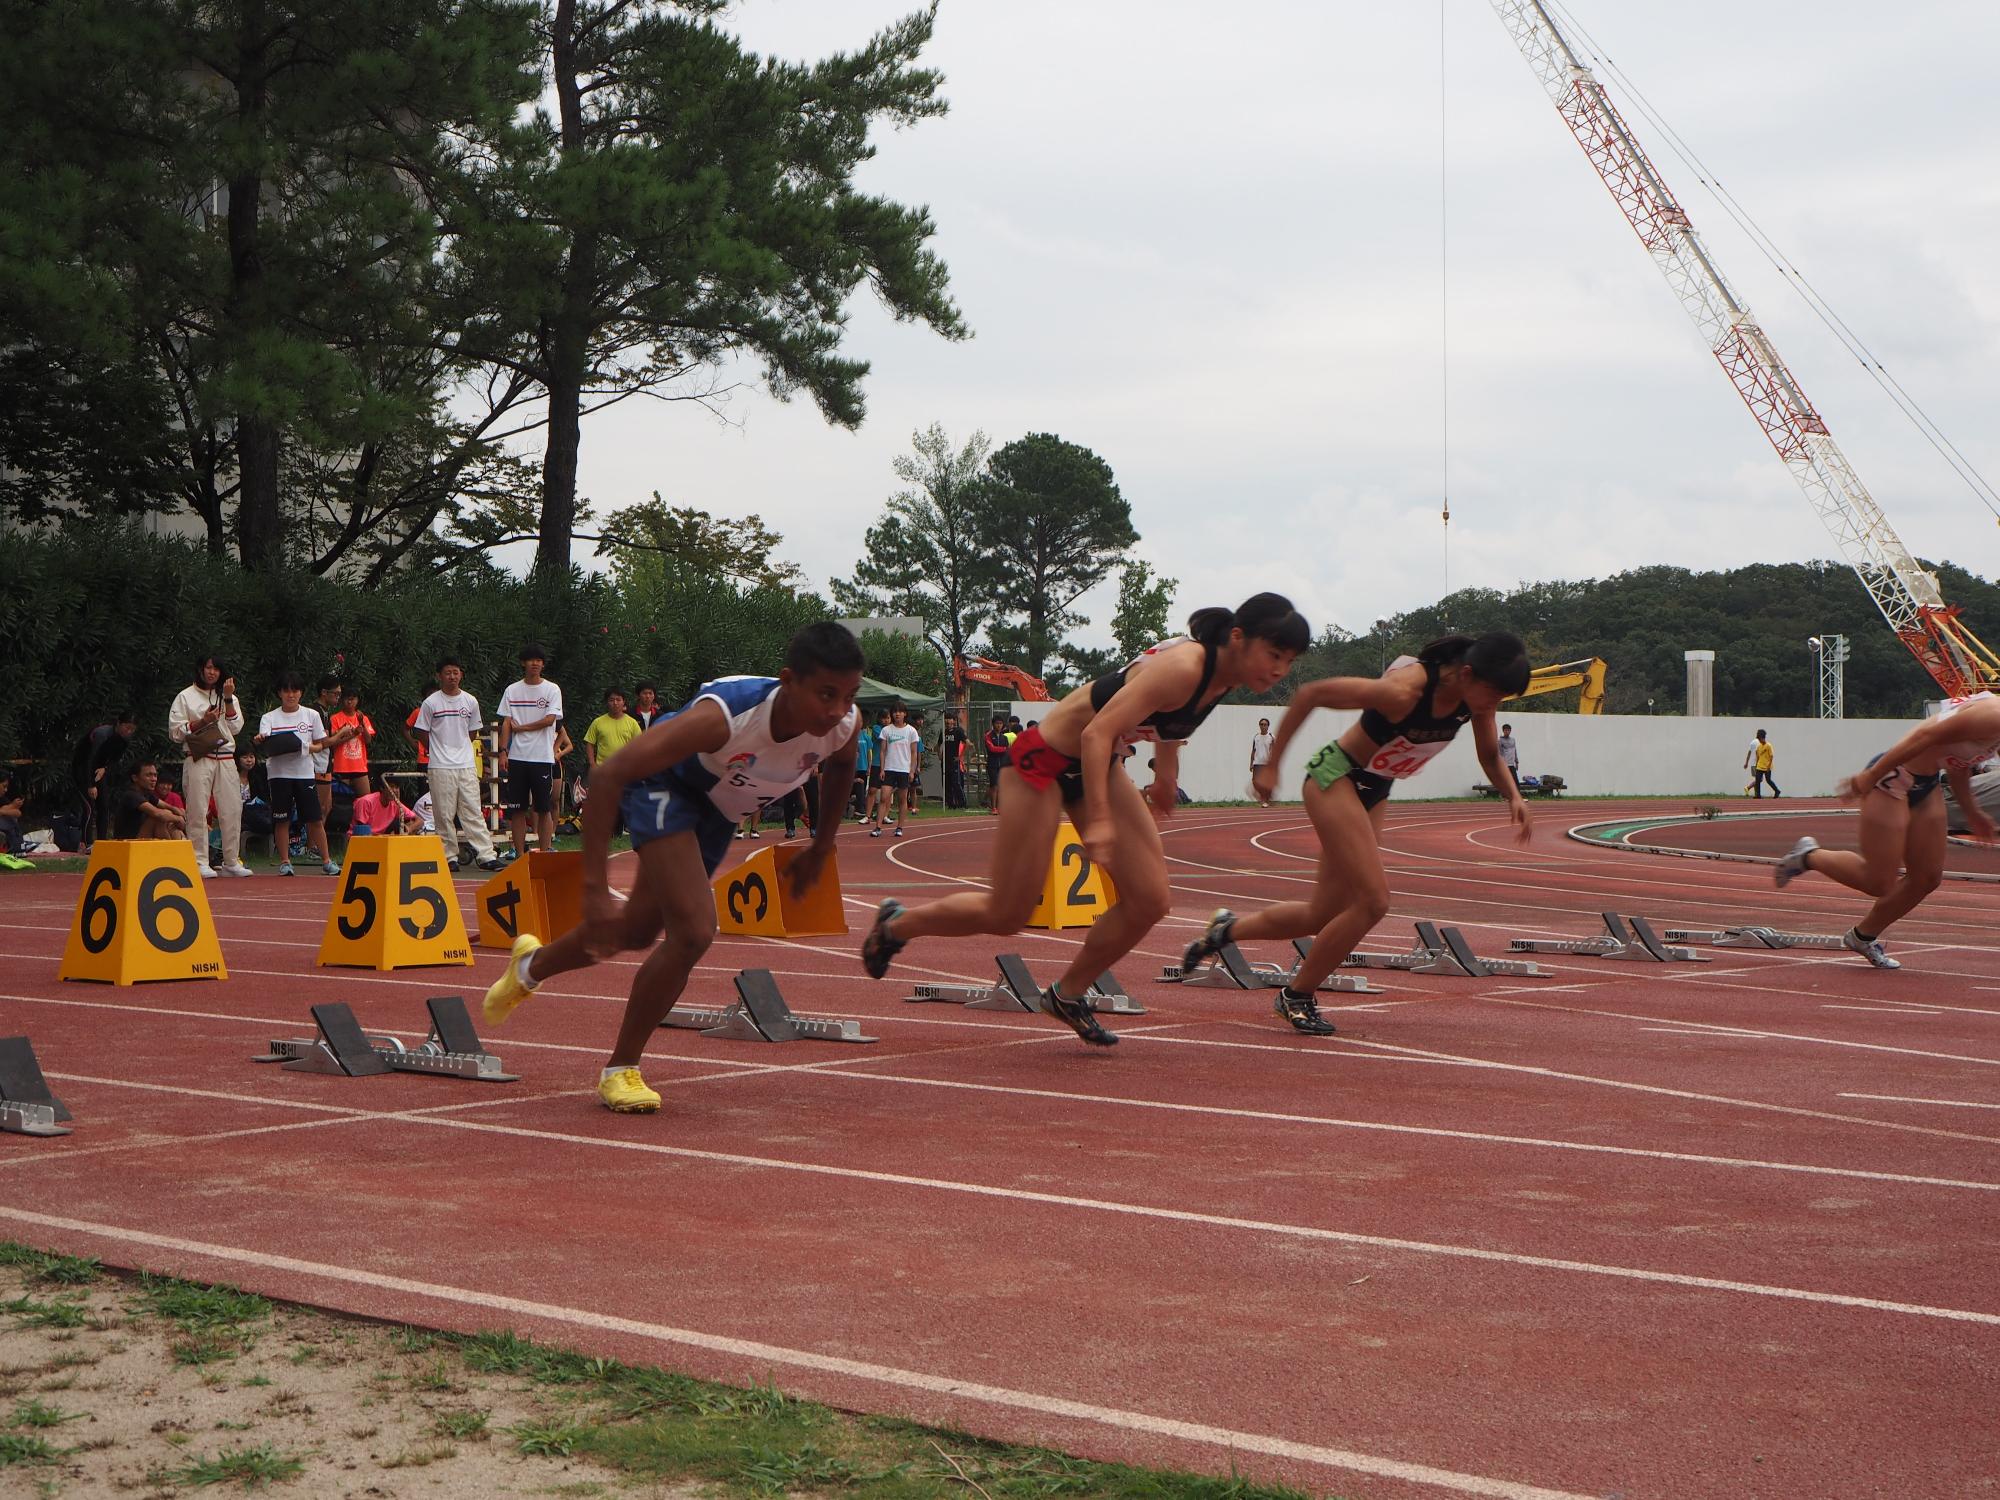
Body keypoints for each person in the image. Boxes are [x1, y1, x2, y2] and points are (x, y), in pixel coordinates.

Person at [861, 596, 1308, 1044]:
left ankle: (1067, 993)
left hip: (1095, 764)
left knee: (1149, 900)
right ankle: (896, 924)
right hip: (1043, 762)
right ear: (1237, 637)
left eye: (1288, 662)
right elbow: (1097, 732)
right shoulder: (1186, 667)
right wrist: (1097, 821)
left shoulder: (1221, 678)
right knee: (1006, 912)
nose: (1278, 671)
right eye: (1274, 655)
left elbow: (1169, 725)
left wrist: (1167, 776)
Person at [481, 622, 865, 1114]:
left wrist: (823, 843)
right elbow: (610, 773)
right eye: (826, 695)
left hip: (718, 814)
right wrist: (594, 887)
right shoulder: (726, 717)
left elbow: (842, 766)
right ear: (787, 681)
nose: (836, 711)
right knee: (694, 930)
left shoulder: (843, 723)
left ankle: (530, 967)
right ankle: (621, 1070)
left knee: (637, 932)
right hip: (662, 786)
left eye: (848, 696)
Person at [1192, 633, 1534, 1035]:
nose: (1493, 706)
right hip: (1335, 777)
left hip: (1377, 789)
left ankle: (1225, 929)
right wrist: (1272, 766)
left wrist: (1513, 794)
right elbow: (1310, 693)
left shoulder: (1473, 699)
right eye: (1494, 695)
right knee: (1373, 901)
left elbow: (1489, 753)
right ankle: (1296, 996)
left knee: (1321, 914)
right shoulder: (1404, 690)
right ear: (1466, 673)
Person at [1774, 692, 2000, 967]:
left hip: (1927, 784)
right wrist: (1871, 775)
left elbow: (1958, 761)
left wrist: (1971, 810)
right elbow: (1925, 737)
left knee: (1927, 878)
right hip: (1892, 777)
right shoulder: (1992, 715)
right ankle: (1808, 855)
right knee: (1878, 882)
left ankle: (1862, 936)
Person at [413, 656, 503, 873]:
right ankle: (448, 856)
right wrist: (438, 748)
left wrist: (458, 748)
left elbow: (472, 732)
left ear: (461, 674)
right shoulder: (431, 703)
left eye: (455, 672)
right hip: (440, 766)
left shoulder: (470, 701)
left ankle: (486, 855)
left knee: (472, 810)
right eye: (447, 673)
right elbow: (420, 731)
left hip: (465, 764)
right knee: (443, 813)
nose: (452, 676)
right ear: (439, 676)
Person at [167, 655, 250, 877]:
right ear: (201, 670)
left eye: (216, 669)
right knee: (197, 808)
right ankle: (199, 860)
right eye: (208, 668)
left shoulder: (228, 696)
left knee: (232, 809)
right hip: (198, 756)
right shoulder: (185, 696)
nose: (212, 672)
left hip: (225, 756)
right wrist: (201, 722)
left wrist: (229, 698)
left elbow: (236, 727)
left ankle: (231, 861)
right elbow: (175, 732)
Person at [255, 672, 342, 876]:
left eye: (295, 690)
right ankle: (285, 862)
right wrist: (261, 740)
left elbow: (321, 743)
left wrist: (302, 747)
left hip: (304, 774)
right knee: (282, 819)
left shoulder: (311, 715)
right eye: (286, 691)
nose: (290, 695)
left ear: (301, 693)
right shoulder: (269, 718)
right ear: (280, 693)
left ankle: (327, 860)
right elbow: (267, 743)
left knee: (314, 818)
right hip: (278, 774)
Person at [499, 644, 564, 858]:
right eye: (530, 660)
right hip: (517, 757)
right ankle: (519, 853)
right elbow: (507, 722)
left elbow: (550, 720)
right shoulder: (512, 690)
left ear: (543, 664)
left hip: (542, 758)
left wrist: (522, 728)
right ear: (523, 663)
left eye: (539, 660)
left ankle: (545, 851)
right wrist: (503, 751)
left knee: (543, 808)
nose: (535, 663)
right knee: (517, 808)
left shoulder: (552, 689)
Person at [71, 711, 137, 847]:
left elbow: (115, 758)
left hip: (99, 769)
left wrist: (105, 768)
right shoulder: (102, 734)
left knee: (104, 805)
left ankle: (101, 842)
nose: (128, 731)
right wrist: (90, 785)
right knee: (89, 807)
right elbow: (91, 758)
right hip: (83, 768)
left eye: (132, 729)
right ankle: (87, 842)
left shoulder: (125, 739)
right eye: (126, 727)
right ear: (118, 723)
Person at [872, 703, 922, 838]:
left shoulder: (911, 731)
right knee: (884, 797)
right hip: (889, 768)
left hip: (904, 770)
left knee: (902, 799)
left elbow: (914, 753)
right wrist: (882, 769)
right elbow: (882, 751)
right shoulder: (886, 730)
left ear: (905, 713)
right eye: (895, 712)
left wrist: (912, 771)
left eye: (900, 712)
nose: (897, 714)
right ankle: (878, 827)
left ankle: (899, 827)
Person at [311, 675, 354, 823]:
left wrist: (347, 735)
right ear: (324, 692)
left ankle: (314, 844)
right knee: (318, 810)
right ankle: (312, 844)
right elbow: (323, 742)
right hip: (318, 764)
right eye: (336, 694)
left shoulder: (324, 711)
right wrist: (341, 733)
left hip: (325, 763)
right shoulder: (316, 712)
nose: (338, 697)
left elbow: (329, 740)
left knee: (326, 807)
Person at [113, 762, 187, 841]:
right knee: (160, 817)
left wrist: (175, 810)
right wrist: (178, 819)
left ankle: (178, 848)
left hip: (140, 836)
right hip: (127, 841)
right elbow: (158, 814)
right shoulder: (131, 795)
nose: (153, 779)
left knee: (169, 817)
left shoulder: (147, 794)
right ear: (135, 778)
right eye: (148, 775)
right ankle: (171, 849)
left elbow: (164, 805)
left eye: (155, 775)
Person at [330, 690, 376, 795]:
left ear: (357, 700)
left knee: (365, 800)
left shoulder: (363, 718)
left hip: (360, 767)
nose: (350, 702)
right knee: (341, 801)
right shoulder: (335, 718)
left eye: (353, 699)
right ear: (342, 700)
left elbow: (368, 740)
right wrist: (353, 734)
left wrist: (362, 724)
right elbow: (332, 743)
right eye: (347, 699)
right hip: (341, 767)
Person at [351, 774, 423, 836]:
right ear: (382, 788)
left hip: (380, 839)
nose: (394, 790)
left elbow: (419, 820)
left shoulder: (396, 804)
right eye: (391, 786)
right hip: (358, 839)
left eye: (397, 787)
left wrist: (409, 828)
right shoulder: (366, 801)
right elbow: (361, 831)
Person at [849, 704, 877, 818]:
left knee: (862, 788)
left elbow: (869, 752)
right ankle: (857, 808)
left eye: (866, 720)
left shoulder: (866, 736)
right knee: (855, 786)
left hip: (863, 767)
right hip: (853, 768)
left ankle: (859, 808)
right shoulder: (852, 735)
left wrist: (869, 766)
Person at [982, 712, 1010, 815]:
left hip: (1002, 764)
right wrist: (1003, 749)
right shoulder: (988, 736)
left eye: (1000, 723)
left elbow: (1007, 751)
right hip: (992, 764)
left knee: (1001, 786)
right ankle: (993, 807)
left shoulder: (1004, 738)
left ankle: (999, 807)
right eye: (997, 723)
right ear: (993, 724)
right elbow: (991, 749)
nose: (999, 725)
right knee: (994, 786)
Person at [1744, 728, 1781, 798]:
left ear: (1762, 738)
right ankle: (1758, 795)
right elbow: (1758, 756)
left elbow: (1771, 756)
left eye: (1759, 739)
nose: (1759, 741)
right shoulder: (1759, 747)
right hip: (1759, 766)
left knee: (1768, 780)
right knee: (1757, 781)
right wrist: (1757, 764)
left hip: (1767, 766)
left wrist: (1768, 766)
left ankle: (1777, 791)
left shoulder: (1768, 746)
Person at [942, 709, 967, 808]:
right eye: (946, 719)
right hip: (945, 762)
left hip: (954, 761)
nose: (948, 721)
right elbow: (939, 744)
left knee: (956, 783)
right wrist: (939, 754)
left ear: (954, 720)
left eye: (950, 719)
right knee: (947, 784)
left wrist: (960, 757)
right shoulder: (943, 732)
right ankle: (951, 804)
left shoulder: (958, 731)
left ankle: (962, 803)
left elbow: (967, 743)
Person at [0, 769, 24, 853]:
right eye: (4, 786)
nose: (6, 790)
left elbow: (18, 813)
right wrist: (12, 806)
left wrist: (3, 811)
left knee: (12, 819)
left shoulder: (2, 798)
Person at [1250, 716, 1275, 782]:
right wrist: (1251, 763)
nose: (1263, 726)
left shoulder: (1271, 737)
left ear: (1268, 726)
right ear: (1259, 725)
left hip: (1267, 764)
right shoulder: (1256, 736)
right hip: (1257, 764)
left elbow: (1274, 751)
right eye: (1261, 724)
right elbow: (1253, 750)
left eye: (1265, 724)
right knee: (1256, 782)